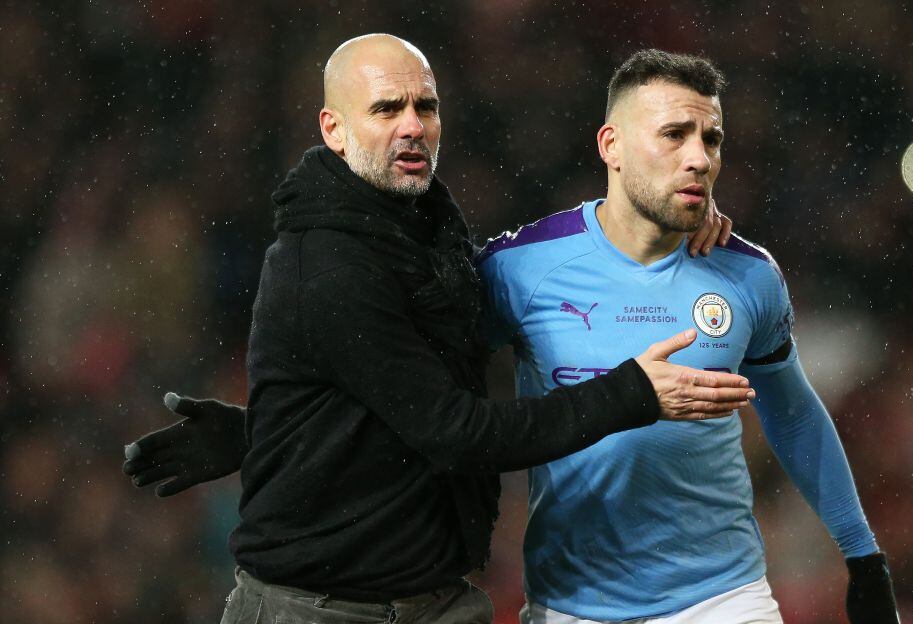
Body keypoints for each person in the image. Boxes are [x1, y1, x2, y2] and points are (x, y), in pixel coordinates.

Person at [122, 35, 750, 624]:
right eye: (386, 108)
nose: (413, 124)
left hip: (437, 603)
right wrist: (632, 394)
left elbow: (386, 394)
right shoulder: (329, 266)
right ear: (333, 130)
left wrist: (679, 211)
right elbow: (457, 433)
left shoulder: (422, 231)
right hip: (319, 611)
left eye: (426, 105)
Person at [475, 49, 899, 623]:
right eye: (674, 134)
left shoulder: (748, 274)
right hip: (569, 605)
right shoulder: (520, 268)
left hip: (724, 601)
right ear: (612, 146)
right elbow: (435, 394)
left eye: (712, 138)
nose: (699, 157)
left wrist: (863, 554)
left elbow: (793, 412)